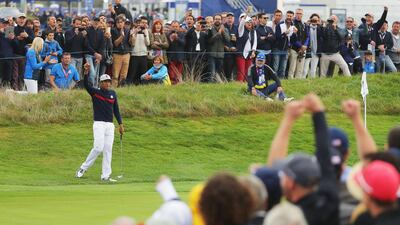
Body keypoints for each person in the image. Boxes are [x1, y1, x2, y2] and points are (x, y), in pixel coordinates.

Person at [267, 94, 339, 225]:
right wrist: (318, 113)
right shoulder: (328, 203)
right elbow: (325, 158)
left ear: (291, 183)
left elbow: (273, 167)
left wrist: (288, 119)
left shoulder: (284, 217)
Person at [75, 63, 124, 182]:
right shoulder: (95, 92)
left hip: (110, 125)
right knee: (98, 148)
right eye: (105, 81)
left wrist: (120, 124)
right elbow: (86, 85)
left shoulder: (113, 94)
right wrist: (86, 72)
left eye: (108, 81)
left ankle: (105, 175)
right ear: (101, 83)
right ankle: (82, 168)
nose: (107, 83)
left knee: (108, 150)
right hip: (99, 124)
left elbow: (116, 109)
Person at [273, 10, 297, 79]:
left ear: (293, 17)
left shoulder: (293, 26)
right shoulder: (280, 25)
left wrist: (295, 34)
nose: (289, 17)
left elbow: (293, 40)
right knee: (276, 67)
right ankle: (275, 80)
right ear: (285, 16)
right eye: (288, 16)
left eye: (290, 16)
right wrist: (284, 34)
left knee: (283, 68)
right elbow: (276, 37)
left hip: (286, 49)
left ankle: (282, 82)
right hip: (277, 49)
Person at [127, 16, 150, 85]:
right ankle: (131, 84)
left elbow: (148, 43)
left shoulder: (146, 31)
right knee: (133, 72)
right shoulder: (132, 30)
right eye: (137, 23)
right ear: (134, 23)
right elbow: (132, 43)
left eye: (140, 23)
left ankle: (144, 85)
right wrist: (135, 33)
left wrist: (145, 34)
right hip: (135, 54)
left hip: (143, 54)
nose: (139, 24)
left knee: (143, 72)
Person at [13, 13, 34, 90]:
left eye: (23, 18)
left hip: (25, 55)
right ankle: (15, 89)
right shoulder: (12, 28)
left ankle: (21, 89)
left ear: (25, 20)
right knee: (14, 74)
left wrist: (27, 36)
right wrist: (16, 38)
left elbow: (34, 40)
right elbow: (7, 41)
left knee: (22, 74)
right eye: (20, 18)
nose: (22, 20)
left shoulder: (29, 29)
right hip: (14, 54)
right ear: (16, 19)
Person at [207, 14, 230, 82]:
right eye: (216, 19)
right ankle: (210, 86)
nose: (217, 20)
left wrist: (223, 32)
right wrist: (218, 34)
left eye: (219, 19)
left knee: (218, 72)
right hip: (212, 55)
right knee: (212, 72)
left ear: (221, 21)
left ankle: (216, 87)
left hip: (220, 55)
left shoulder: (225, 29)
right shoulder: (210, 29)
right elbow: (209, 41)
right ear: (214, 20)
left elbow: (228, 40)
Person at [288, 8, 309, 79]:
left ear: (302, 15)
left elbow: (307, 36)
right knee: (292, 68)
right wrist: (301, 46)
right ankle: (290, 82)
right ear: (295, 14)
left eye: (300, 14)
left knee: (300, 68)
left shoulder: (304, 24)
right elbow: (291, 38)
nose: (298, 15)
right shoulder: (291, 23)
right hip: (294, 48)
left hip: (303, 49)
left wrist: (305, 45)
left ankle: (298, 82)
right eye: (297, 13)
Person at [236, 13, 257, 82]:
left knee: (248, 72)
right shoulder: (241, 31)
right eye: (247, 22)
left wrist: (253, 52)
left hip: (250, 54)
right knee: (241, 72)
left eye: (250, 22)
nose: (249, 23)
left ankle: (247, 87)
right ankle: (239, 86)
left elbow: (255, 43)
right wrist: (247, 13)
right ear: (245, 23)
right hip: (241, 54)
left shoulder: (253, 31)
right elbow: (241, 23)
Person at [111, 15, 131, 87]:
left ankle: (122, 89)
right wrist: (122, 36)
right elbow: (115, 43)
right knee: (115, 74)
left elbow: (130, 43)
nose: (120, 24)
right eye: (118, 22)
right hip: (117, 54)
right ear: (116, 23)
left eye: (121, 22)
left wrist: (133, 35)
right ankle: (114, 89)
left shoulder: (127, 30)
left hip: (126, 54)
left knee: (124, 75)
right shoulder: (113, 30)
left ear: (124, 23)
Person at [86, 17, 105, 87]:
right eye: (95, 21)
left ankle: (95, 88)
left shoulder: (101, 32)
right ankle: (91, 87)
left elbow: (102, 45)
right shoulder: (87, 30)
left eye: (97, 21)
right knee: (92, 73)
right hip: (88, 55)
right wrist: (95, 53)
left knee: (96, 74)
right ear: (92, 22)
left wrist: (99, 56)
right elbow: (86, 44)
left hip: (97, 56)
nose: (96, 22)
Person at [303, 13, 321, 78]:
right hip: (308, 50)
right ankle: (302, 81)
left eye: (316, 20)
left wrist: (320, 25)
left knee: (313, 70)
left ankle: (312, 83)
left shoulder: (320, 28)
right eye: (313, 20)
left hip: (316, 51)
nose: (314, 21)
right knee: (305, 69)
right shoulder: (307, 27)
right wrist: (307, 24)